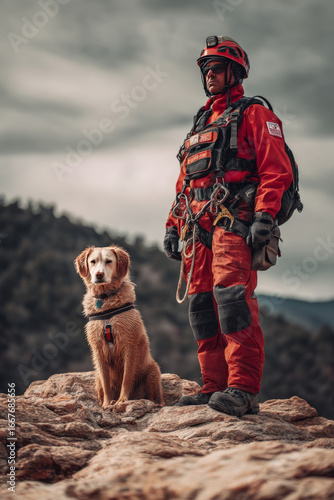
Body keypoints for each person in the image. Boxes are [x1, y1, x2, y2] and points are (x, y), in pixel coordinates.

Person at [164, 36, 293, 417]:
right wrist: (173, 226)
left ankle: (243, 389)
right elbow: (185, 183)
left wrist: (265, 216)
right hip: (196, 226)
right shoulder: (201, 122)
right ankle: (212, 386)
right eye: (206, 70)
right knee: (202, 307)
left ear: (235, 73)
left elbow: (276, 170)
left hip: (233, 221)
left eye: (217, 69)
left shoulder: (255, 114)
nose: (210, 76)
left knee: (234, 304)